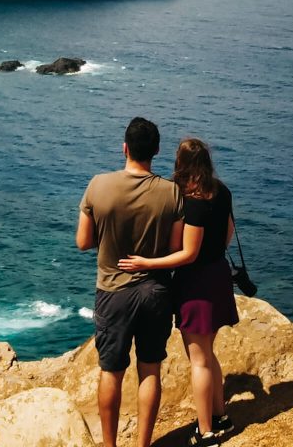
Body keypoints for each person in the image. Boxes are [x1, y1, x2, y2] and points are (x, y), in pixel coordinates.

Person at [119, 138, 239, 447]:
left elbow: (187, 253)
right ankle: (221, 416)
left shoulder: (193, 202)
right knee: (208, 353)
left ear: (181, 163)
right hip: (218, 275)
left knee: (198, 360)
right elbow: (228, 233)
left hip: (196, 283)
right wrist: (213, 253)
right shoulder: (222, 190)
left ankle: (205, 432)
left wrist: (146, 262)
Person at [76, 117, 184, 447]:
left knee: (111, 371)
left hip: (113, 292)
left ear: (124, 148)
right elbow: (175, 248)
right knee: (150, 369)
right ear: (156, 151)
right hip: (156, 292)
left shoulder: (98, 185)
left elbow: (83, 241)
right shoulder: (171, 192)